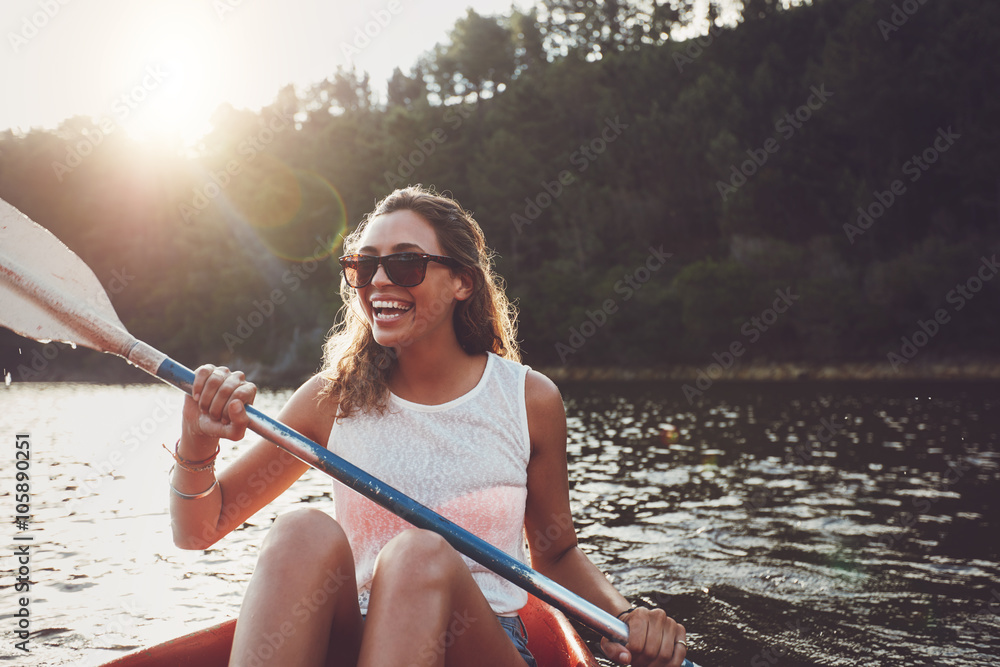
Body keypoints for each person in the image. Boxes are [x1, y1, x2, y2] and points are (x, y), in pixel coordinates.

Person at [168, 186, 691, 667]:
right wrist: (197, 440)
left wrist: (627, 618)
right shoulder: (333, 398)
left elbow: (555, 552)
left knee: (421, 553)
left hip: (485, 644)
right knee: (300, 530)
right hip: (360, 645)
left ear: (462, 281)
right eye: (365, 265)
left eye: (405, 263)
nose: (378, 281)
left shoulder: (528, 399)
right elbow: (199, 530)